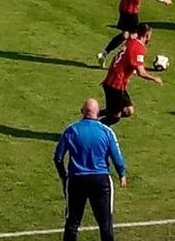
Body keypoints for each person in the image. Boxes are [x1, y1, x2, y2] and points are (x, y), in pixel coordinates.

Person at [54, 98, 127, 241]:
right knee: (105, 223)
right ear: (98, 113)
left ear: (82, 112)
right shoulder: (106, 131)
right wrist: (121, 173)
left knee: (72, 222)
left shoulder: (71, 130)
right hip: (101, 180)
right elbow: (116, 156)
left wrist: (64, 177)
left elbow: (58, 157)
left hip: (76, 179)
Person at [100, 23, 163, 127]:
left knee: (128, 111)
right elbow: (141, 72)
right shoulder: (138, 48)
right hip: (115, 85)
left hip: (116, 82)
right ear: (147, 35)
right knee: (115, 117)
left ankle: (97, 112)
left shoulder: (131, 42)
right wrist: (154, 78)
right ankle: (92, 125)